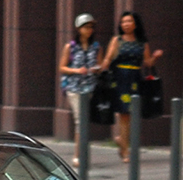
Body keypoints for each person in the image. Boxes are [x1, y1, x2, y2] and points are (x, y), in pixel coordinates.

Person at [100, 11, 162, 163]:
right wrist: (103, 66)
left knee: (133, 112)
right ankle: (125, 148)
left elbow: (147, 63)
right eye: (123, 22)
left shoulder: (142, 42)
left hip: (135, 78)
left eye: (129, 21)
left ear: (135, 24)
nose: (126, 24)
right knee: (124, 113)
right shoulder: (117, 40)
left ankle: (122, 141)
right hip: (120, 78)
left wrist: (155, 57)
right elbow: (107, 58)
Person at [58, 13, 103, 166]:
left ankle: (82, 153)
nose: (89, 30)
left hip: (90, 86)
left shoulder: (96, 47)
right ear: (78, 29)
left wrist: (96, 69)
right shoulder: (70, 47)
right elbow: (62, 67)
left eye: (91, 27)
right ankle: (78, 155)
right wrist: (77, 71)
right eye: (85, 27)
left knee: (84, 120)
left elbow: (100, 65)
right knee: (80, 120)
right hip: (74, 87)